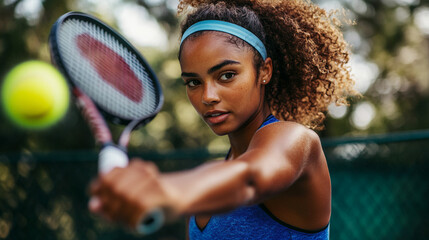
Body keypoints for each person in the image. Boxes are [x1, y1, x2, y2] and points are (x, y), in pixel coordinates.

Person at [89, 0, 356, 239]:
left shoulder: (296, 140)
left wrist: (166, 190)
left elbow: (250, 178)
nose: (208, 96)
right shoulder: (208, 181)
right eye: (193, 82)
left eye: (226, 75)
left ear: (264, 71)